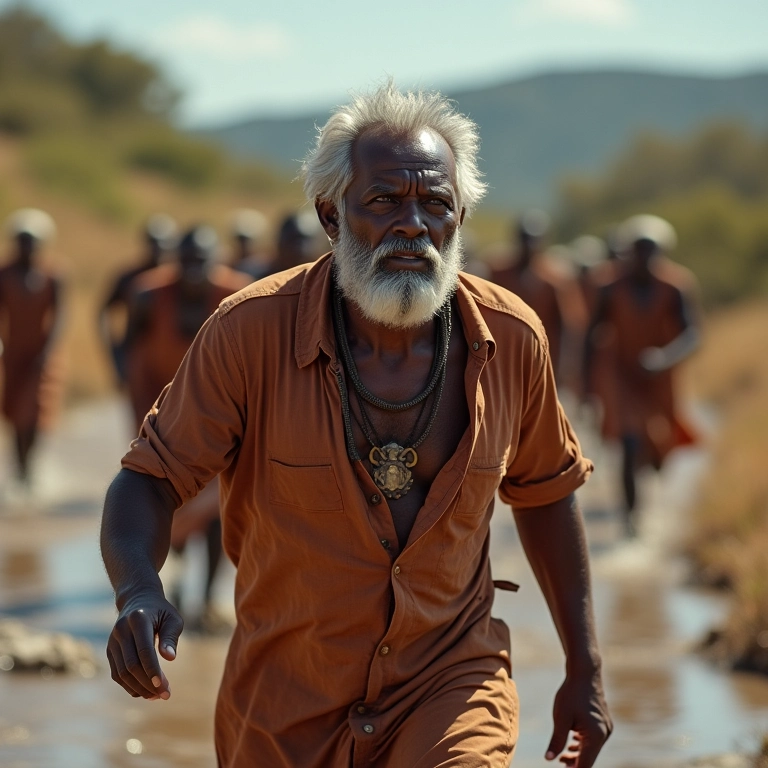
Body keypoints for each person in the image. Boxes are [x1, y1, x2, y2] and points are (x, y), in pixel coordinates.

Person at [101, 83, 612, 767]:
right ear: (331, 215)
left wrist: (586, 666)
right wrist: (138, 589)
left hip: (450, 684)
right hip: (284, 707)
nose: (413, 224)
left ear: (460, 217)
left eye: (435, 203)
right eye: (384, 201)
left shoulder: (512, 340)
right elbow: (150, 480)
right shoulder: (250, 334)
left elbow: (547, 493)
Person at [124, 225, 250, 627]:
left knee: (217, 506)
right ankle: (172, 586)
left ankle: (209, 598)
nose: (195, 270)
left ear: (218, 261)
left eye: (203, 261)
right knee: (166, 496)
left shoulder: (240, 296)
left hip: (221, 417)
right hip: (159, 416)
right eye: (188, 261)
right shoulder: (148, 295)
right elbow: (128, 349)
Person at [585, 214, 701, 536]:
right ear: (628, 252)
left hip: (660, 377)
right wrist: (586, 387)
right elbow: (591, 336)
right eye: (638, 250)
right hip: (621, 376)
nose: (645, 258)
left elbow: (692, 334)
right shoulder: (609, 287)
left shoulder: (676, 286)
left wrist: (666, 358)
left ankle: (649, 469)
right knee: (629, 442)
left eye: (651, 251)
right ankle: (630, 519)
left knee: (659, 449)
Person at [0, 208, 62, 486]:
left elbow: (61, 316)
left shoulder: (54, 275)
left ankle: (30, 464)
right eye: (22, 240)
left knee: (34, 413)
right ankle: (21, 467)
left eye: (31, 241)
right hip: (12, 354)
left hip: (42, 355)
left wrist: (48, 350)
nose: (26, 247)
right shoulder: (5, 273)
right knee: (15, 413)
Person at [489, 211, 585, 388]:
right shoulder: (498, 273)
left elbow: (569, 326)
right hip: (503, 358)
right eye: (524, 238)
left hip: (543, 359)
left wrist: (566, 367)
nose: (528, 245)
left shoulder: (556, 279)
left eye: (533, 239)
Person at [100, 214, 177, 387]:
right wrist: (116, 354)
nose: (157, 248)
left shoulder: (180, 281)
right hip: (139, 363)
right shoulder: (130, 278)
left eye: (163, 242)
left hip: (174, 363)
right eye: (153, 242)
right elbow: (104, 313)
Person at [228, 208, 271, 281]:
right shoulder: (229, 265)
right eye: (240, 240)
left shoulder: (266, 267)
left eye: (246, 240)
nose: (243, 244)